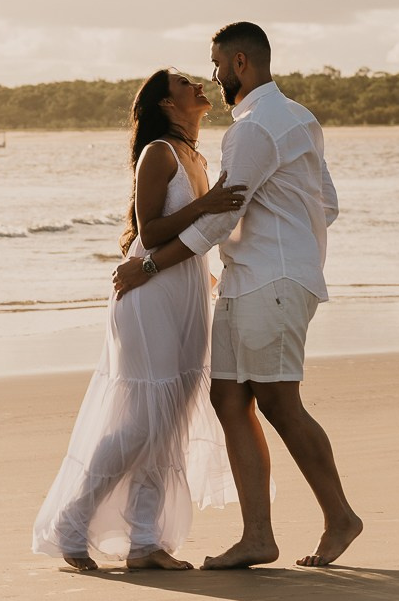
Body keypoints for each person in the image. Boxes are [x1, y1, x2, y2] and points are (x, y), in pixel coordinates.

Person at [111, 21, 361, 570]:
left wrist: (150, 264)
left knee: (279, 402)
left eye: (218, 64)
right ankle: (257, 537)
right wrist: (289, 230)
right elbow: (328, 204)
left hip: (269, 281)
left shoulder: (252, 129)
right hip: (254, 278)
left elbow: (222, 219)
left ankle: (339, 517)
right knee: (228, 400)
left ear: (240, 63)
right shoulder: (299, 117)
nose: (214, 75)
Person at [31, 69, 247, 571]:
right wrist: (207, 203)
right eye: (184, 83)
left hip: (186, 290)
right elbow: (149, 231)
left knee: (169, 420)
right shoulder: (159, 153)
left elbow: (195, 236)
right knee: (145, 418)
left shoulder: (196, 156)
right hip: (149, 292)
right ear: (166, 103)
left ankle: (146, 541)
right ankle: (71, 521)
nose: (198, 85)